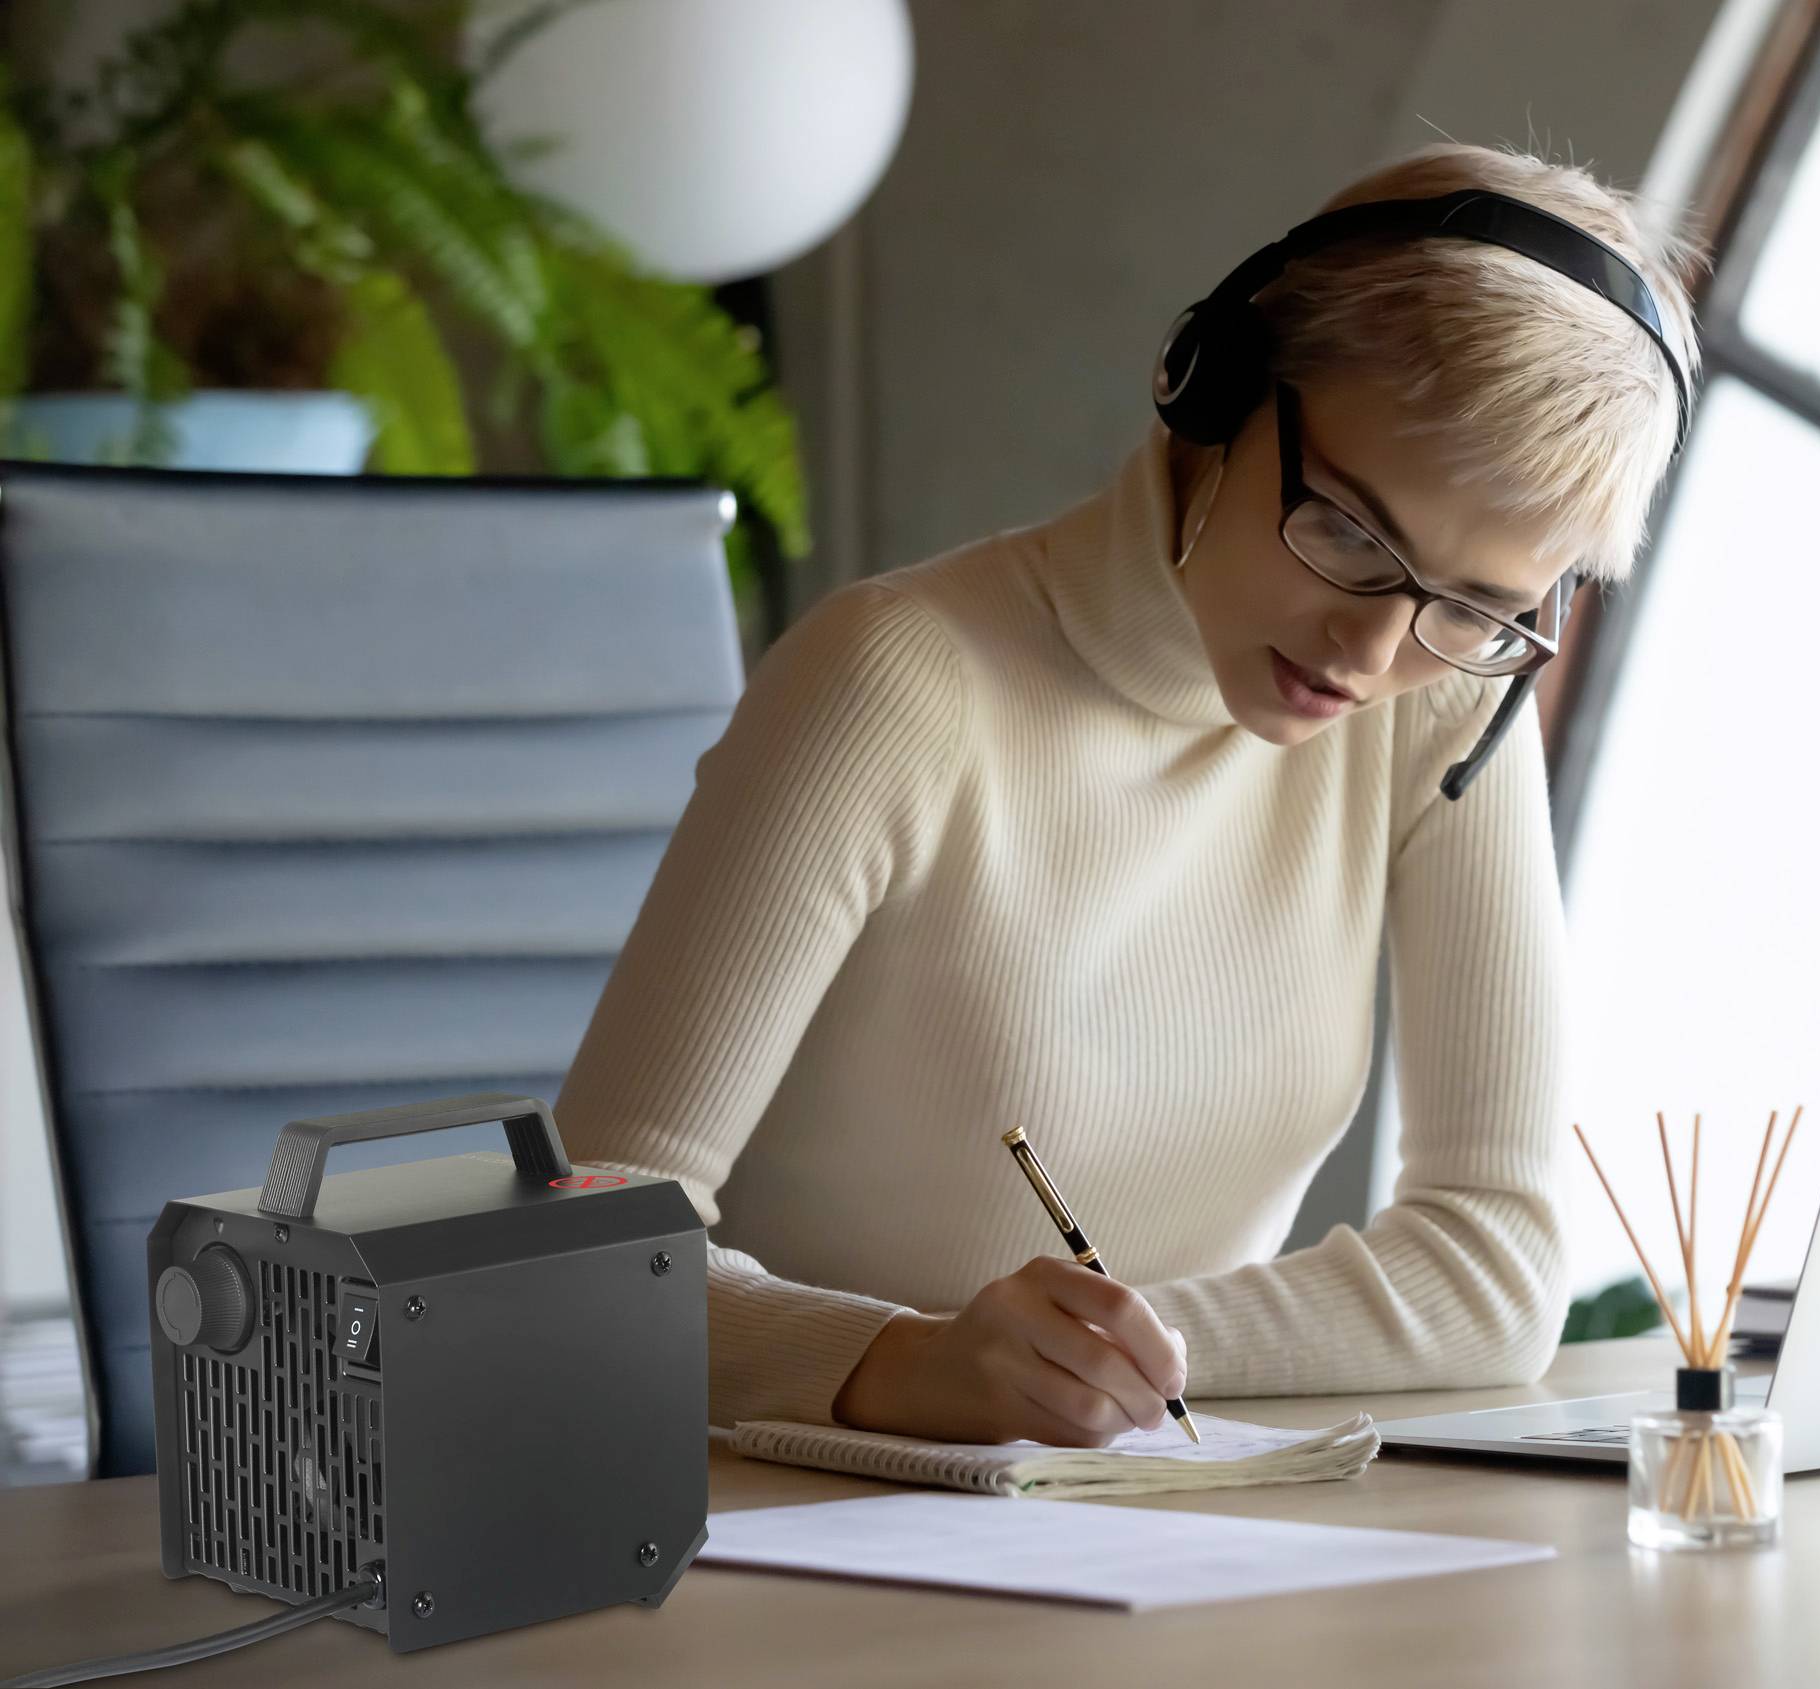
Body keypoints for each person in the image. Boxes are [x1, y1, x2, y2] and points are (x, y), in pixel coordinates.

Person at [555, 141, 1701, 1447]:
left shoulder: (1437, 697)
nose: (1371, 652)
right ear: (1210, 387)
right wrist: (906, 1364)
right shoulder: (893, 681)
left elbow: (1492, 1271)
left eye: (1483, 604)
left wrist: (1103, 1356)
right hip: (791, 1541)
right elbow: (583, 1253)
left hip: (1143, 1521)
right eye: (1346, 532)